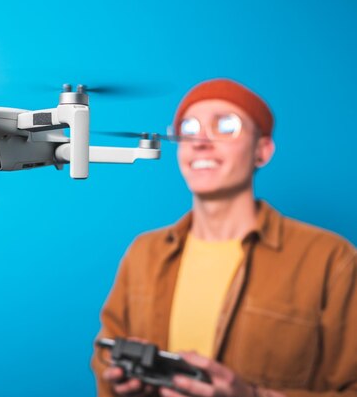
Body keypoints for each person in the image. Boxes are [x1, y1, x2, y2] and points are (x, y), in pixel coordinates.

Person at [91, 78, 356, 397]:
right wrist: (122, 380)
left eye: (225, 126)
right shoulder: (143, 253)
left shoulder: (330, 259)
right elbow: (104, 362)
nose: (200, 140)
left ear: (262, 150)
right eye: (189, 128)